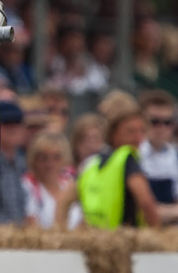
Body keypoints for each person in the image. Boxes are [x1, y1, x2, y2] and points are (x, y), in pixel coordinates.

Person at [56, 99, 173, 229]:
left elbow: (63, 202)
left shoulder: (91, 163)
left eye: (142, 131)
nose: (137, 137)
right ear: (113, 133)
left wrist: (61, 233)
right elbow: (145, 201)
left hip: (96, 240)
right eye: (130, 131)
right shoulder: (127, 158)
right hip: (127, 242)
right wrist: (157, 235)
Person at [22, 130, 76, 229]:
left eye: (56, 157)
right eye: (43, 158)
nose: (50, 164)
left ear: (65, 159)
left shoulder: (70, 185)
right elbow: (31, 227)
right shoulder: (27, 186)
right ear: (33, 160)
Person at [138, 89, 178, 207]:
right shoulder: (133, 155)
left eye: (167, 122)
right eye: (154, 122)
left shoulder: (175, 156)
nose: (161, 128)